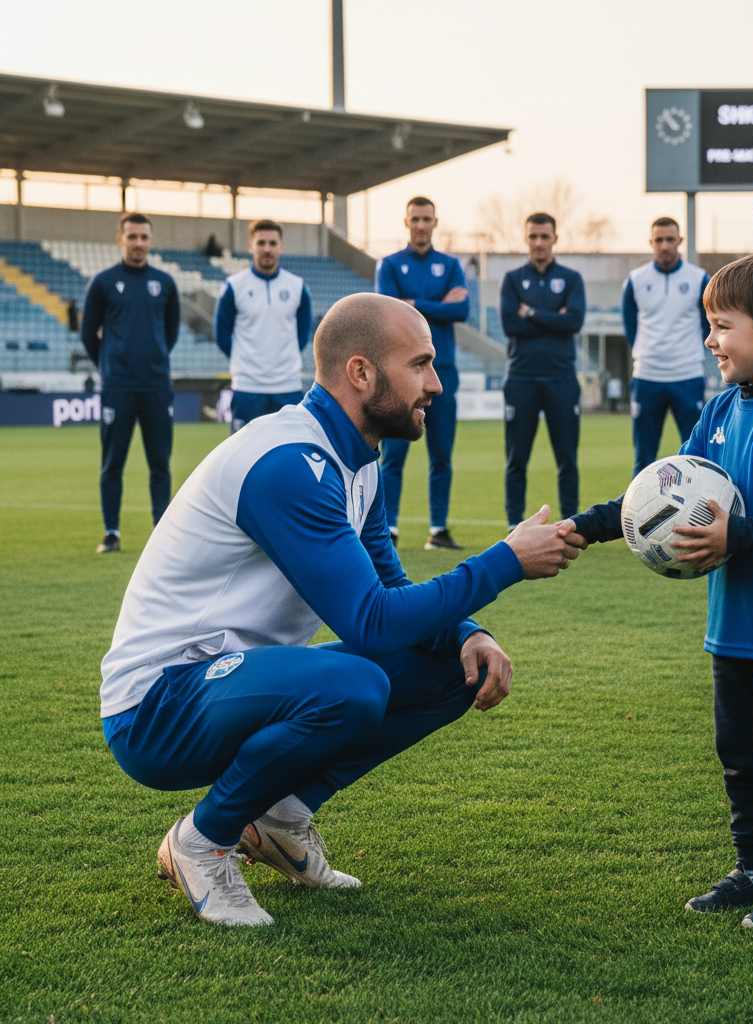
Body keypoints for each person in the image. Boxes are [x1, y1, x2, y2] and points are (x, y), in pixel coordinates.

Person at [98, 293, 586, 928]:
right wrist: (505, 561)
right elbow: (371, 623)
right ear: (361, 373)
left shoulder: (359, 461)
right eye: (421, 364)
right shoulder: (288, 464)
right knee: (355, 684)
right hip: (156, 707)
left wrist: (467, 631)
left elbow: (390, 583)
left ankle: (279, 816)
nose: (435, 383)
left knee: (448, 669)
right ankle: (202, 840)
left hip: (230, 682)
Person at [566, 250, 753, 934]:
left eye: (722, 326)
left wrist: (736, 537)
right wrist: (584, 527)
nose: (710, 339)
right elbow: (655, 496)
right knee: (741, 757)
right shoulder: (719, 411)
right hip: (733, 624)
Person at [81, 212, 180, 554]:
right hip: (117, 388)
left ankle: (161, 533)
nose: (138, 242)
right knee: (112, 464)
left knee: (160, 464)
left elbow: (170, 332)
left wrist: (151, 361)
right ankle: (111, 533)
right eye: (132, 236)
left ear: (151, 241)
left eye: (143, 237)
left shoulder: (165, 283)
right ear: (119, 239)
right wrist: (111, 365)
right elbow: (87, 333)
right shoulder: (103, 282)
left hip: (155, 386)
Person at [375, 197, 469, 550]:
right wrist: (438, 306)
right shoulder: (390, 265)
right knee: (394, 456)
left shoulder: (450, 265)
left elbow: (462, 309)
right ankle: (388, 528)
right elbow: (389, 312)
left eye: (426, 219)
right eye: (415, 218)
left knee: (441, 455)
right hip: (401, 373)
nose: (420, 225)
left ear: (435, 222)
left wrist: (416, 305)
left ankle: (438, 530)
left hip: (442, 372)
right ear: (406, 222)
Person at [500, 213, 586, 530]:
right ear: (526, 239)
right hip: (521, 379)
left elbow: (574, 322)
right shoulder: (511, 279)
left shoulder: (572, 278)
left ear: (555, 238)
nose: (539, 242)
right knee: (516, 459)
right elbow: (510, 324)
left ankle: (573, 522)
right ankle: (513, 523)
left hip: (562, 379)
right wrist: (554, 318)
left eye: (544, 236)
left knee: (567, 460)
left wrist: (532, 313)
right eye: (533, 236)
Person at [623, 217, 711, 477]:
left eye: (670, 240)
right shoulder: (636, 280)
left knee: (698, 457)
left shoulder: (698, 279)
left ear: (680, 241)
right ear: (651, 242)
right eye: (659, 240)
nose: (665, 246)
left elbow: (709, 325)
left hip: (687, 376)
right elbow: (631, 328)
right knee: (643, 458)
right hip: (647, 377)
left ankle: (702, 516)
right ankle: (637, 517)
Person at [214, 219, 313, 433]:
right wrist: (246, 361)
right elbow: (222, 334)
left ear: (281, 246)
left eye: (272, 243)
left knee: (290, 455)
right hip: (247, 388)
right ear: (250, 246)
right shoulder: (234, 286)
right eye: (261, 243)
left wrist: (283, 360)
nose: (267, 249)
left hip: (288, 386)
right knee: (245, 459)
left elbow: (303, 333)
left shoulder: (297, 286)